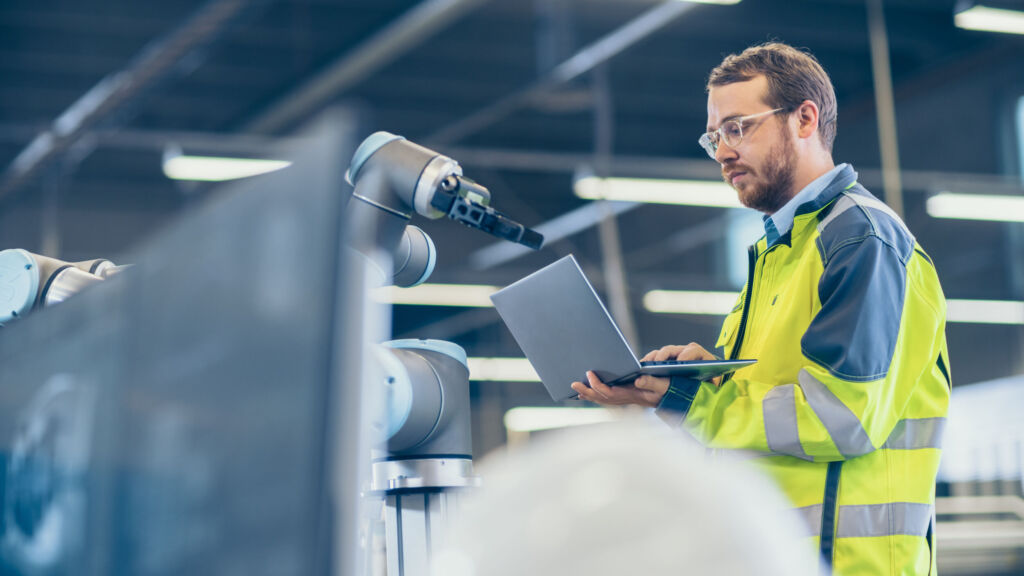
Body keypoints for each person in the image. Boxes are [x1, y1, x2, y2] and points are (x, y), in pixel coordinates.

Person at [571, 42, 951, 576]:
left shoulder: (860, 240)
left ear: (804, 119)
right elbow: (759, 419)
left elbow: (839, 417)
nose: (723, 151)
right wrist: (687, 386)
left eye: (738, 127)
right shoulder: (779, 251)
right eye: (714, 136)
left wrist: (691, 400)